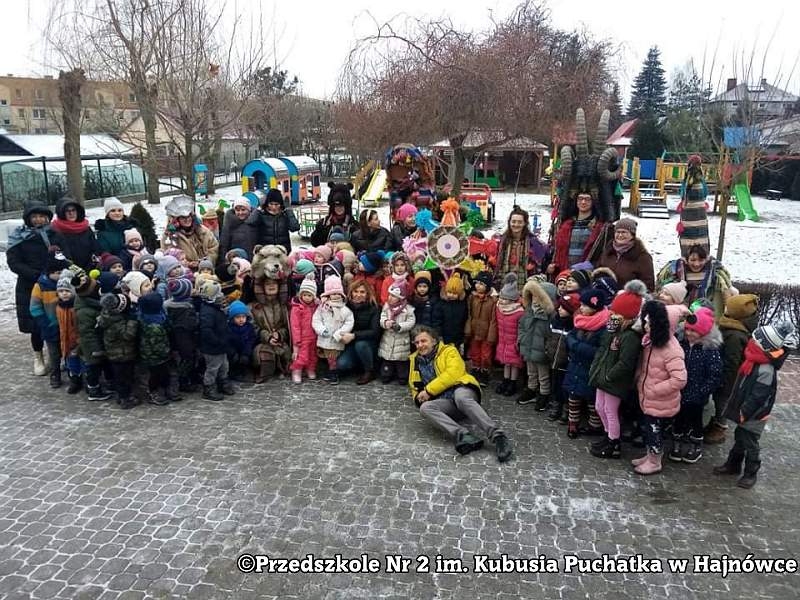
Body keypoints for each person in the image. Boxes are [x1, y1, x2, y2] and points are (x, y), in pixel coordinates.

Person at [409, 325, 513, 462]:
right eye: (417, 342)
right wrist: (418, 397)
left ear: (433, 341)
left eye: (423, 341)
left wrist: (428, 391)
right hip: (446, 401)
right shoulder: (415, 360)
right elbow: (414, 385)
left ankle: (498, 436)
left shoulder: (449, 351)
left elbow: (453, 373)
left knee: (461, 398)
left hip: (462, 389)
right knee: (425, 408)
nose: (420, 345)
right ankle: (464, 435)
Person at [715, 320, 794, 489]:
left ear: (763, 346)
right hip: (745, 411)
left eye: (755, 340)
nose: (750, 341)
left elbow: (758, 397)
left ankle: (751, 472)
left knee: (750, 442)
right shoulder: (753, 361)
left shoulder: (765, 370)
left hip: (755, 415)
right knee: (740, 437)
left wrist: (743, 412)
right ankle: (733, 465)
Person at [631, 302, 689, 475]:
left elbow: (679, 379)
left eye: (650, 324)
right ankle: (650, 456)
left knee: (654, 432)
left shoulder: (671, 350)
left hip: (660, 401)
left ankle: (655, 462)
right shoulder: (652, 342)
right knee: (649, 431)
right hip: (648, 398)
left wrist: (654, 390)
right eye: (646, 322)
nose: (645, 326)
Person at [587, 285, 644, 458]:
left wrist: (609, 375)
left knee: (610, 410)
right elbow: (603, 350)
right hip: (603, 376)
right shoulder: (613, 331)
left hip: (614, 380)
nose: (612, 316)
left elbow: (625, 363)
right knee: (600, 407)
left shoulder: (630, 337)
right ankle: (608, 435)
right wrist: (596, 369)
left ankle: (614, 442)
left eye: (616, 314)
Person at [7, 199, 55, 375]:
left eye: (42, 216)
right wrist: (35, 275)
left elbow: (63, 254)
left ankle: (54, 355)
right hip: (29, 285)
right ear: (28, 218)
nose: (38, 220)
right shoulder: (19, 237)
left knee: (54, 320)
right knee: (36, 323)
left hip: (52, 283)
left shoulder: (54, 234)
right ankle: (38, 356)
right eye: (34, 216)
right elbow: (14, 262)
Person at [670, 307, 722, 464]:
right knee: (678, 419)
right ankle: (677, 443)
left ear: (704, 332)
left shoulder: (709, 350)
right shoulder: (682, 344)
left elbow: (715, 375)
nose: (689, 333)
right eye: (687, 329)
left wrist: (702, 392)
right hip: (679, 393)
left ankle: (695, 445)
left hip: (697, 396)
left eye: (693, 331)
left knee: (696, 422)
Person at [707, 293, 760, 445]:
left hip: (729, 378)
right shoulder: (734, 329)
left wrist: (725, 381)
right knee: (720, 400)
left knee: (722, 401)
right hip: (726, 374)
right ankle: (717, 422)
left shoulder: (734, 334)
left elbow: (732, 362)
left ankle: (720, 427)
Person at [564, 288, 610, 439]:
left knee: (592, 399)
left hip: (590, 368)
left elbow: (599, 351)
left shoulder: (603, 328)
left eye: (584, 305)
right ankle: (572, 423)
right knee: (573, 397)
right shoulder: (580, 321)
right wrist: (572, 343)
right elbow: (570, 336)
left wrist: (576, 346)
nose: (581, 308)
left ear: (594, 307)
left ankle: (594, 425)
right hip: (575, 366)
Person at [656, 244, 732, 316]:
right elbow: (661, 286)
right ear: (686, 260)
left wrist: (728, 310)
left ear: (706, 260)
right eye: (693, 260)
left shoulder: (715, 270)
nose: (696, 264)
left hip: (706, 309)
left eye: (701, 260)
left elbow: (725, 288)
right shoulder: (675, 269)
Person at [30, 253, 70, 388]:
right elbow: (35, 307)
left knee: (68, 350)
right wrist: (45, 323)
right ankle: (55, 375)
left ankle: (72, 373)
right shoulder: (40, 286)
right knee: (54, 353)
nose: (60, 275)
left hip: (66, 325)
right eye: (57, 273)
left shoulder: (66, 285)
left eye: (62, 272)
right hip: (50, 325)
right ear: (49, 273)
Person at [516, 278, 557, 408]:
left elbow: (551, 334)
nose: (534, 299)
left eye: (538, 297)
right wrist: (521, 339)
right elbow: (522, 325)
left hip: (541, 350)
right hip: (528, 346)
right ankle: (531, 389)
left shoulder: (550, 316)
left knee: (543, 375)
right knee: (531, 372)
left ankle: (544, 393)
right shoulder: (529, 310)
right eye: (532, 296)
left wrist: (547, 348)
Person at [97, 291, 140, 409]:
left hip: (112, 354)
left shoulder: (106, 316)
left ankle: (121, 396)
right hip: (123, 354)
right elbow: (128, 335)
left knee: (119, 377)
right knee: (125, 377)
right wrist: (132, 321)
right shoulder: (117, 322)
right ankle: (126, 399)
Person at [549, 192, 608, 277]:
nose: (583, 202)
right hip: (564, 273)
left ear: (593, 202)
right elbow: (557, 251)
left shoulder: (599, 229)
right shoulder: (565, 226)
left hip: (586, 275)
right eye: (580, 199)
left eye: (587, 199)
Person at [493, 206, 548, 292]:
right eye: (513, 221)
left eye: (519, 222)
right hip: (503, 281)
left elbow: (541, 261)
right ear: (509, 222)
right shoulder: (501, 241)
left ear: (525, 223)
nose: (516, 225)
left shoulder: (534, 242)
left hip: (524, 282)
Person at [337, 280, 382, 384]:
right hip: (350, 344)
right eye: (356, 291)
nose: (358, 295)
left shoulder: (375, 308)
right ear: (351, 293)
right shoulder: (345, 306)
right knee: (342, 364)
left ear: (367, 294)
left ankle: (369, 371)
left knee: (361, 345)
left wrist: (354, 335)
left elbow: (375, 332)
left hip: (369, 344)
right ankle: (358, 365)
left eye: (362, 292)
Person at [312, 276, 354, 385]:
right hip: (324, 337)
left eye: (337, 293)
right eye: (333, 293)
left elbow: (349, 322)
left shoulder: (344, 309)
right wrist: (321, 330)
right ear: (328, 295)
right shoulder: (322, 308)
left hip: (336, 339)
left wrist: (340, 333)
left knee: (333, 358)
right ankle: (330, 372)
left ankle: (334, 374)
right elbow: (316, 319)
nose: (335, 295)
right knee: (327, 357)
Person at [594, 218, 655, 291]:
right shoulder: (608, 251)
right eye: (618, 232)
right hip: (603, 293)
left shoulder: (642, 257)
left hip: (627, 295)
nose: (620, 235)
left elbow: (648, 286)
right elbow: (597, 270)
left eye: (624, 232)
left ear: (632, 235)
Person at [197, 280, 235, 401]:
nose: (221, 295)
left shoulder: (216, 308)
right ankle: (208, 387)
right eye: (218, 293)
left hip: (221, 345)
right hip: (212, 347)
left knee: (224, 366)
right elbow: (206, 331)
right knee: (212, 368)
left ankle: (222, 382)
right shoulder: (207, 312)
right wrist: (217, 341)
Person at [138, 292, 176, 405]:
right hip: (154, 355)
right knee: (155, 375)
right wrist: (167, 352)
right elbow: (157, 345)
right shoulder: (152, 326)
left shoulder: (155, 316)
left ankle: (165, 388)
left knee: (164, 373)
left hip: (161, 353)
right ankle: (153, 392)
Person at [162, 194, 219, 269]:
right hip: (184, 273)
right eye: (183, 218)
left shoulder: (203, 230)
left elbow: (213, 247)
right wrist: (188, 264)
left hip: (206, 270)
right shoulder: (169, 236)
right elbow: (169, 257)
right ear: (176, 220)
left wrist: (206, 261)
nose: (187, 220)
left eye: (188, 216)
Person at [250, 278, 291, 382]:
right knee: (264, 354)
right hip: (262, 342)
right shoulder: (254, 307)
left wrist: (279, 334)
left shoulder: (284, 306)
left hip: (280, 342)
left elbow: (289, 327)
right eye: (267, 284)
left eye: (274, 283)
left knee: (286, 354)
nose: (271, 286)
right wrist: (267, 337)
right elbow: (252, 327)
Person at [164, 278, 199, 392]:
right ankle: (184, 383)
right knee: (186, 363)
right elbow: (188, 329)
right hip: (185, 343)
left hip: (173, 342)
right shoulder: (186, 311)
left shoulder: (168, 305)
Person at [378, 280, 416, 384]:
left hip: (401, 339)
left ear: (401, 298)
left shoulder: (408, 309)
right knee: (388, 358)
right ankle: (386, 373)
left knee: (401, 361)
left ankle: (402, 375)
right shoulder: (386, 307)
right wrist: (385, 322)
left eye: (394, 296)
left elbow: (411, 322)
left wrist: (400, 326)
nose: (390, 298)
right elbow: (382, 318)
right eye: (389, 295)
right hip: (388, 339)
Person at [494, 273, 525, 396]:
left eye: (504, 299)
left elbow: (521, 329)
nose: (501, 300)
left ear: (512, 300)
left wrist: (519, 342)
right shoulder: (499, 308)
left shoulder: (519, 312)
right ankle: (505, 380)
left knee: (514, 364)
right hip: (503, 341)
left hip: (513, 343)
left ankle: (513, 382)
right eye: (501, 297)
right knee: (506, 362)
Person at [464, 271, 497, 384]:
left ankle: (485, 371)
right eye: (477, 283)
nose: (478, 286)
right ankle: (476, 369)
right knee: (474, 352)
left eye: (481, 284)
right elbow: (469, 314)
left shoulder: (492, 301)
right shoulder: (472, 298)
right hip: (474, 331)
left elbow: (493, 320)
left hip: (486, 333)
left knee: (486, 354)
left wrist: (491, 336)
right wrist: (468, 328)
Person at [49, 197, 99, 271]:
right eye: (67, 211)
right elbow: (59, 256)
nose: (71, 213)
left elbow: (95, 249)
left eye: (73, 210)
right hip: (68, 271)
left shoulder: (86, 228)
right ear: (61, 213)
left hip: (90, 269)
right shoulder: (55, 231)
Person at [55, 271, 83, 394]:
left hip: (77, 340)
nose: (64, 293)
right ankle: (74, 381)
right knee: (70, 363)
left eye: (67, 290)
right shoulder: (59, 307)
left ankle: (84, 380)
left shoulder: (76, 307)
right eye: (61, 291)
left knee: (80, 361)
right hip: (65, 340)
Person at [289, 276, 319, 383]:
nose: (306, 297)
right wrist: (297, 341)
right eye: (304, 295)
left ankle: (310, 369)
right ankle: (297, 371)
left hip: (313, 336)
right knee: (301, 356)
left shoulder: (315, 306)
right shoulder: (297, 308)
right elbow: (295, 326)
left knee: (312, 355)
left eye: (309, 295)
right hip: (302, 337)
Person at [254, 188, 300, 254]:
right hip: (266, 252)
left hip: (282, 251)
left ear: (281, 204)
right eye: (271, 204)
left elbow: (295, 228)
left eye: (276, 204)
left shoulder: (285, 214)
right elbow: (250, 222)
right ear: (267, 203)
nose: (274, 207)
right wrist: (258, 209)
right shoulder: (262, 214)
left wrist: (289, 211)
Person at [309, 183, 356, 247]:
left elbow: (357, 245)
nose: (339, 209)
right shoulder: (325, 222)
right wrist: (319, 231)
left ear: (346, 207)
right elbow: (314, 242)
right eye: (336, 206)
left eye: (341, 206)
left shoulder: (352, 223)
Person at [431, 273, 468, 350]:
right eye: (449, 292)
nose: (451, 295)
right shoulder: (441, 304)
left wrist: (463, 336)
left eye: (455, 293)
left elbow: (464, 320)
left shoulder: (462, 305)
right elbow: (436, 320)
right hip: (444, 336)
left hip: (457, 337)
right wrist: (439, 334)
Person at [226, 300, 258, 382]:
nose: (241, 319)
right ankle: (234, 373)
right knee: (234, 360)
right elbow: (227, 342)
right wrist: (233, 353)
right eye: (238, 317)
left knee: (246, 360)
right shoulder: (229, 328)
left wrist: (246, 353)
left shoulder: (249, 327)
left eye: (243, 317)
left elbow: (251, 340)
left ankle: (246, 372)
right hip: (234, 352)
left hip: (245, 351)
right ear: (232, 318)